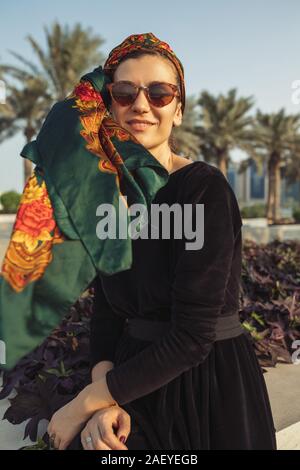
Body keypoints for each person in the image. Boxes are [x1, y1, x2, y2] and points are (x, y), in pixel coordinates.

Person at [47, 32, 277, 451]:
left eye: (159, 93)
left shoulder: (203, 189)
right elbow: (106, 316)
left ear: (179, 110)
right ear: (107, 105)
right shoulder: (104, 199)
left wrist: (81, 405)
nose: (141, 104)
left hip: (207, 389)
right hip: (130, 385)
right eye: (124, 91)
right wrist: (104, 403)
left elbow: (192, 337)